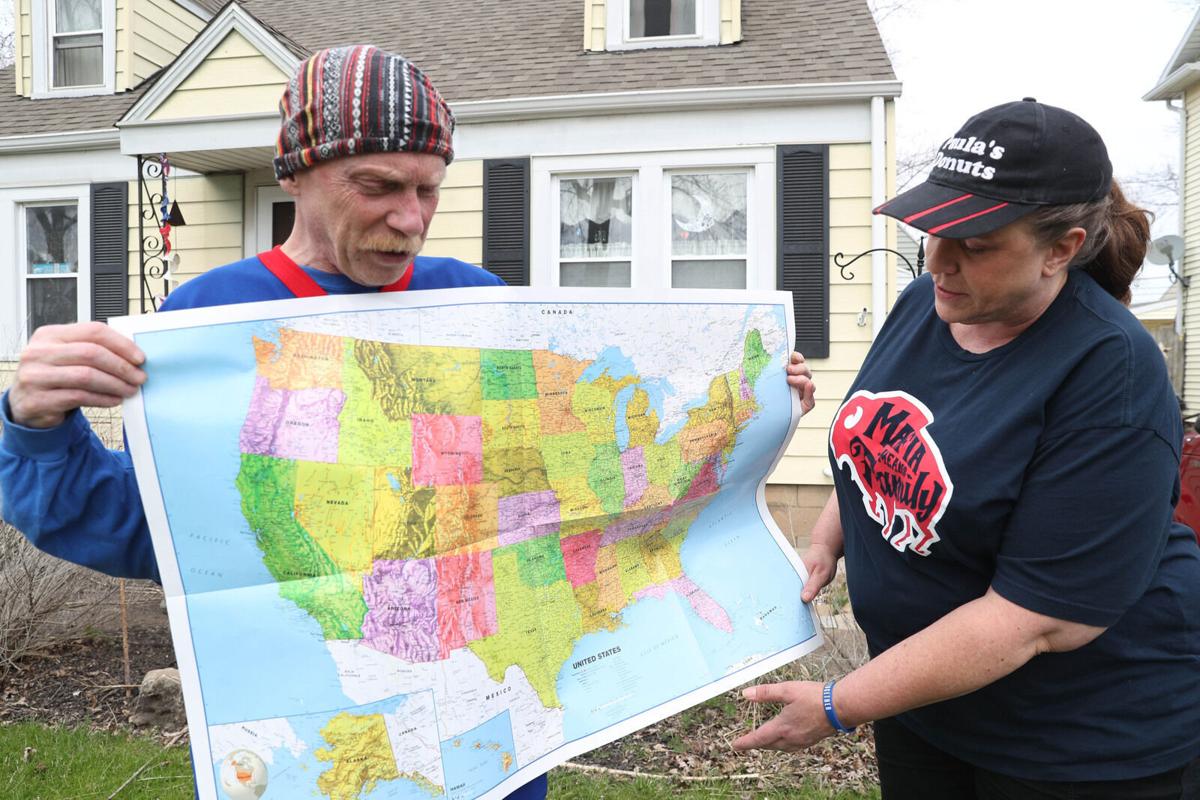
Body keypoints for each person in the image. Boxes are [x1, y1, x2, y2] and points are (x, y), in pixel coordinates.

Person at [0, 44, 817, 798]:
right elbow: (139, 531)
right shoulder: (211, 321)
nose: (412, 217)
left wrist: (750, 411)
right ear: (298, 175)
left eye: (428, 189)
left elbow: (585, 496)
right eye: (379, 186)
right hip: (322, 753)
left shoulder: (477, 303)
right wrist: (33, 424)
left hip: (495, 741)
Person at [732, 99, 1200, 800]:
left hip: (1078, 735)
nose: (942, 261)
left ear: (1062, 249)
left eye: (976, 244)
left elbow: (1033, 620)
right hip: (926, 701)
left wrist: (839, 704)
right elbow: (878, 445)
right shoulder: (927, 303)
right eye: (932, 232)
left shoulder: (1111, 375)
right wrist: (827, 542)